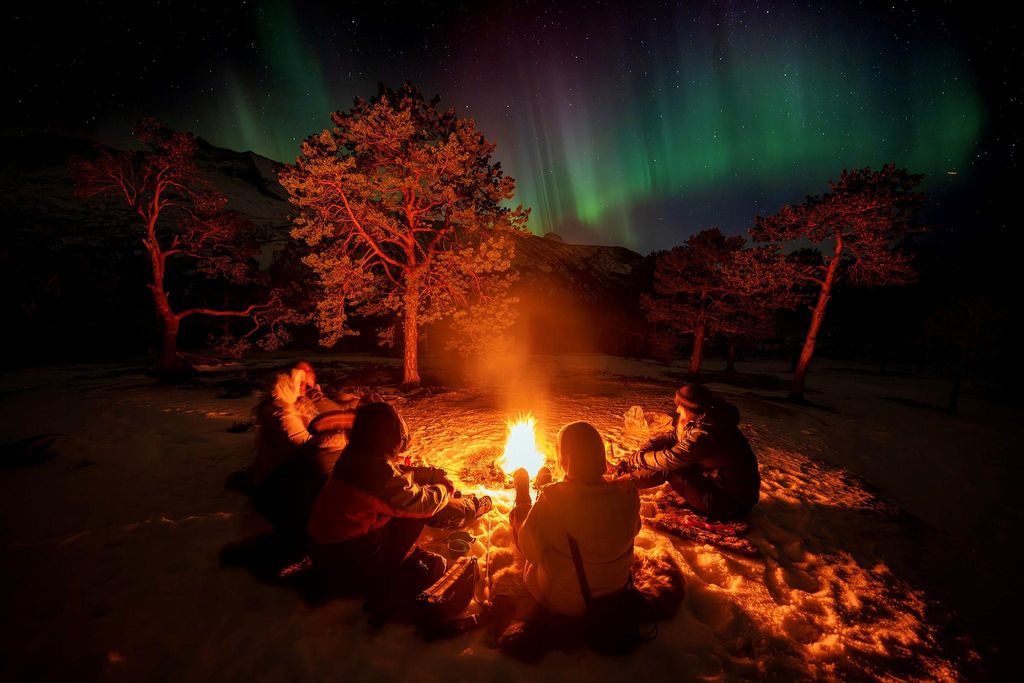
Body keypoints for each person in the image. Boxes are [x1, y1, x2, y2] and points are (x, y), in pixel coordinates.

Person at [306, 402, 491, 611]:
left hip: (327, 553)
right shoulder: (376, 475)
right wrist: (443, 487)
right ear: (389, 437)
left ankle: (467, 507)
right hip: (350, 564)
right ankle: (387, 573)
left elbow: (393, 472)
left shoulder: (354, 457)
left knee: (408, 499)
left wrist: (426, 473)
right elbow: (422, 504)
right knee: (419, 510)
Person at [499, 421, 641, 657]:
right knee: (550, 527)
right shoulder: (627, 492)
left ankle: (523, 498)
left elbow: (530, 552)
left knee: (524, 523)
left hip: (563, 600)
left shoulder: (553, 500)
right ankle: (532, 498)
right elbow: (634, 529)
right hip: (616, 591)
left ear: (566, 458)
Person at [618, 383, 760, 521]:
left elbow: (671, 459)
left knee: (671, 468)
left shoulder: (706, 434)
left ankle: (619, 484)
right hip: (720, 487)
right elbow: (675, 436)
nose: (677, 410)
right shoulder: (704, 419)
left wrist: (640, 458)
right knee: (667, 457)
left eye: (680, 406)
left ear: (691, 409)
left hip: (730, 504)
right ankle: (627, 476)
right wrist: (651, 445)